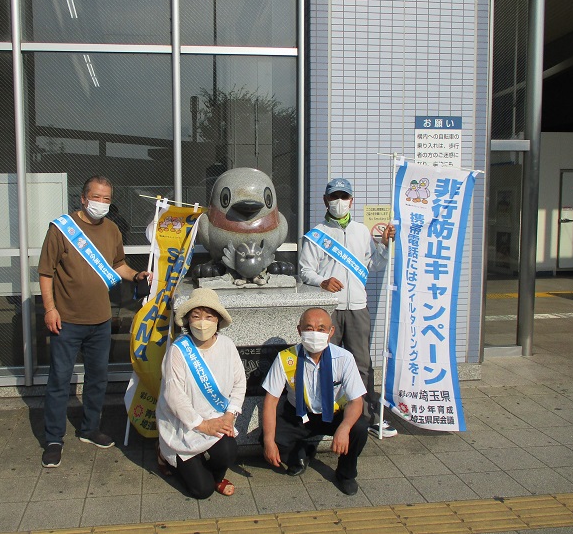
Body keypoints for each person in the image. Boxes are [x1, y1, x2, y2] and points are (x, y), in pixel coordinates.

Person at [38, 175, 150, 468]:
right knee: (59, 381)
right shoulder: (61, 229)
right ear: (83, 198)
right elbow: (46, 272)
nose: (101, 203)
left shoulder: (112, 229)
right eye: (96, 197)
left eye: (106, 199)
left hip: (101, 320)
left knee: (97, 378)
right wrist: (50, 309)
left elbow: (118, 266)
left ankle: (89, 429)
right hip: (66, 320)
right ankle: (53, 438)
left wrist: (136, 275)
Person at [298, 177, 398, 438]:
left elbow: (374, 264)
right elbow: (305, 271)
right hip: (328, 309)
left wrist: (385, 245)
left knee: (362, 364)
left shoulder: (362, 232)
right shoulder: (316, 234)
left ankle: (365, 417)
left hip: (357, 307)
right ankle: (322, 416)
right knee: (322, 362)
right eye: (334, 197)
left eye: (344, 197)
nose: (339, 202)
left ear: (352, 201)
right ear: (325, 201)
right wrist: (322, 281)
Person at [260, 307, 368, 495]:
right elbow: (271, 401)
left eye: (321, 329)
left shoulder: (344, 358)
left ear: (331, 331)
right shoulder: (286, 358)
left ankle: (346, 474)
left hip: (334, 413)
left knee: (358, 428)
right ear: (299, 330)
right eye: (309, 328)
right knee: (267, 437)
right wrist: (269, 441)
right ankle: (302, 453)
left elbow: (356, 401)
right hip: (299, 414)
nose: (315, 333)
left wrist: (344, 428)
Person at [156, 288, 246, 499]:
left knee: (228, 451)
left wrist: (230, 415)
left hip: (216, 419)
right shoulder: (178, 350)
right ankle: (165, 454)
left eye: (208, 316)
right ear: (187, 320)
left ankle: (215, 476)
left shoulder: (227, 345)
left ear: (218, 320)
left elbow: (239, 383)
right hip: (185, 425)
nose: (202, 322)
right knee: (201, 491)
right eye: (196, 316)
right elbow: (174, 395)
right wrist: (202, 424)